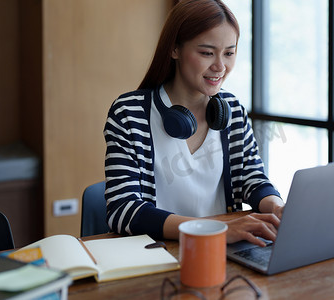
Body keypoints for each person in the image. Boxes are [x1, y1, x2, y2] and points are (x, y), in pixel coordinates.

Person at [104, 0, 284, 247]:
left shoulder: (231, 109)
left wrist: (277, 206)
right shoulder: (129, 113)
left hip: (224, 249)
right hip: (158, 253)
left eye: (229, 53)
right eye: (207, 53)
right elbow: (123, 210)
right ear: (175, 49)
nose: (220, 67)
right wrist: (213, 230)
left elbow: (251, 177)